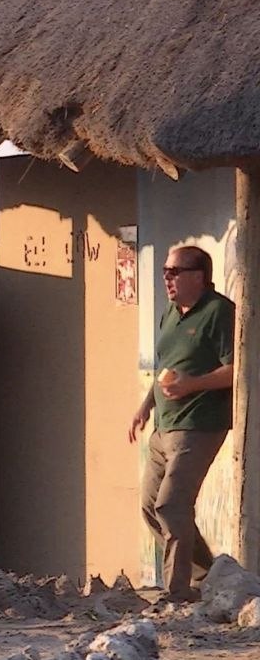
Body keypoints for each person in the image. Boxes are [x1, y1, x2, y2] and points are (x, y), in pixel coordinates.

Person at [129, 245, 235, 603]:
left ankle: (176, 592)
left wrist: (192, 384)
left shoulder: (220, 312)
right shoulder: (170, 315)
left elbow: (237, 369)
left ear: (199, 276)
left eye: (174, 271)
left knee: (171, 505)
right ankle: (209, 576)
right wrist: (144, 407)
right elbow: (164, 369)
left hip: (199, 425)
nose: (167, 279)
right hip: (164, 426)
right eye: (165, 271)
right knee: (149, 506)